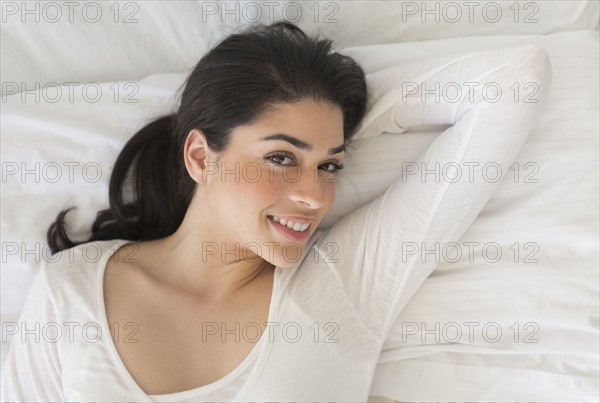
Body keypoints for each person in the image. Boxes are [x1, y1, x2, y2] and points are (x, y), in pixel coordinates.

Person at [0, 20, 552, 401]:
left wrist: (345, 124)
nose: (314, 196)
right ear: (199, 154)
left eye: (331, 167)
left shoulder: (344, 287)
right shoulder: (72, 289)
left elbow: (512, 84)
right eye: (281, 157)